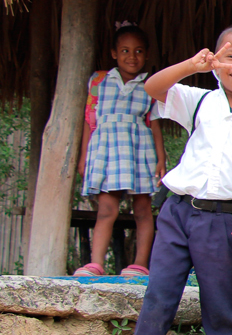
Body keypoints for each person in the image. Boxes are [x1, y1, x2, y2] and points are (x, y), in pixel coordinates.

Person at [136, 23, 232, 335]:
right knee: (159, 292)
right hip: (177, 211)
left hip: (225, 219)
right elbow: (152, 88)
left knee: (221, 302)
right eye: (231, 56)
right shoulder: (200, 100)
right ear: (216, 63)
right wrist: (191, 65)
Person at [74, 23, 166, 277]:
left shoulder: (150, 85)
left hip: (139, 151)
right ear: (114, 53)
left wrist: (161, 158)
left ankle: (139, 265)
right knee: (106, 208)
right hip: (105, 150)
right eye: (125, 50)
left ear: (146, 55)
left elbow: (154, 123)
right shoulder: (99, 80)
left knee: (143, 209)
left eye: (138, 51)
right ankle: (96, 264)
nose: (131, 56)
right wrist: (83, 157)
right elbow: (88, 120)